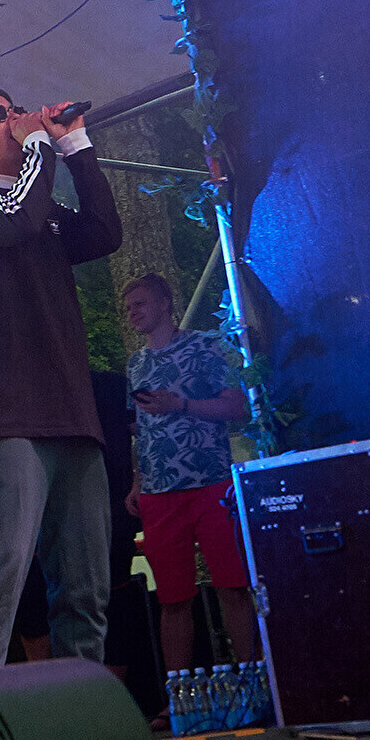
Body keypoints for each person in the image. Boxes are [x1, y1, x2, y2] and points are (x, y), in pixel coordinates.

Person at [0, 89, 122, 670]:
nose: (12, 119)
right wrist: (38, 141)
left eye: (14, 110)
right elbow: (14, 219)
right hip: (3, 414)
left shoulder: (41, 205)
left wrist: (75, 145)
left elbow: (103, 234)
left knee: (86, 589)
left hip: (71, 414)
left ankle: (81, 712)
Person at [118, 270, 255, 677]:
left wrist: (181, 405)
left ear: (165, 303)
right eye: (128, 307)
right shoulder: (136, 363)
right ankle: (179, 693)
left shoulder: (208, 346)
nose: (133, 312)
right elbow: (139, 428)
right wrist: (137, 480)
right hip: (159, 493)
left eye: (140, 303)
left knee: (233, 585)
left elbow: (238, 406)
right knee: (172, 598)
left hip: (212, 483)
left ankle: (253, 679)